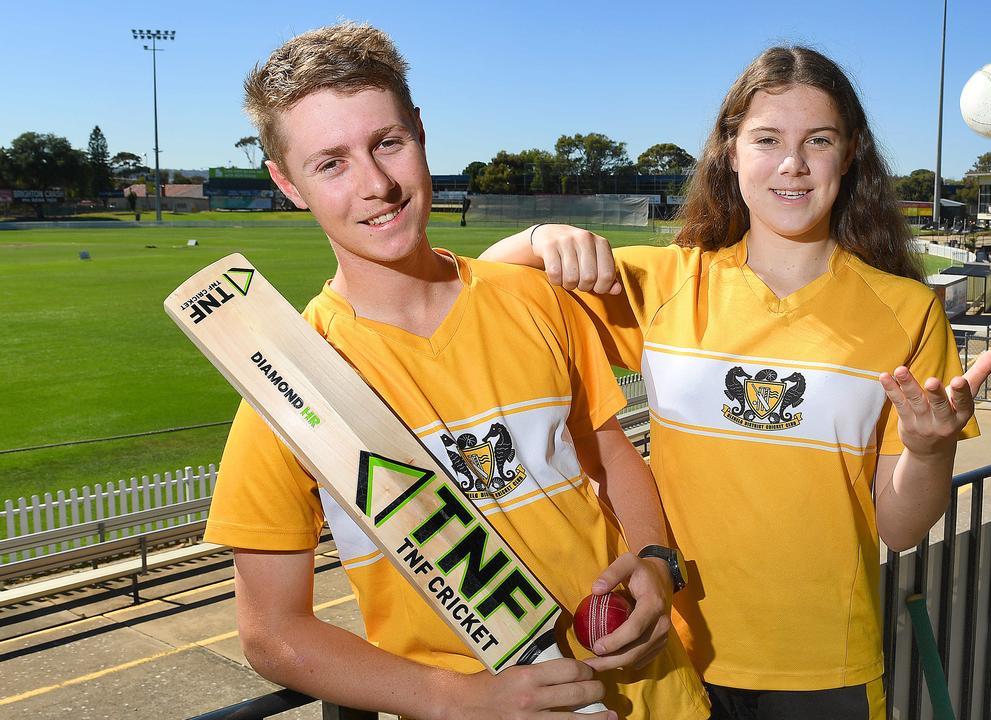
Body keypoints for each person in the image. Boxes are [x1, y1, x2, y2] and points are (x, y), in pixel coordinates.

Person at [203, 22, 709, 720]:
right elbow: (272, 634)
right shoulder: (290, 382)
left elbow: (615, 458)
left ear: (419, 132)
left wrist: (655, 559)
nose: (375, 184)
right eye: (331, 164)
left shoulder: (533, 298)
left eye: (387, 143)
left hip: (658, 696)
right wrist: (459, 699)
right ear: (288, 183)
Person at [481, 46, 991, 720]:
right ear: (731, 151)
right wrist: (540, 235)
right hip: (670, 656)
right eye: (767, 140)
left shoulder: (906, 311)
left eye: (819, 141)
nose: (793, 163)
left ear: (848, 156)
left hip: (825, 668)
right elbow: (484, 294)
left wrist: (931, 450)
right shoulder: (666, 284)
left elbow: (899, 529)